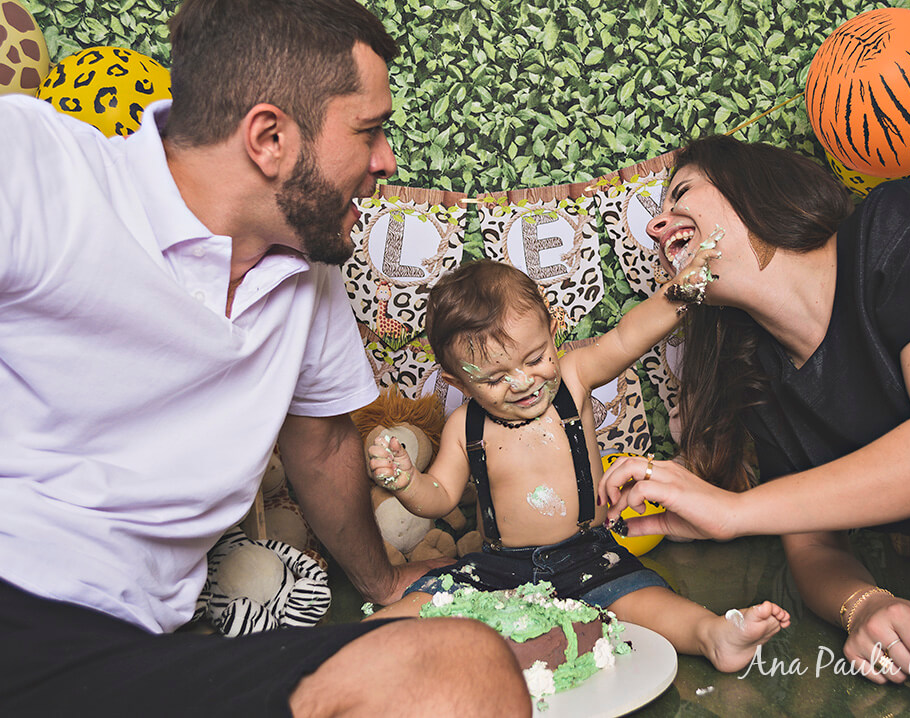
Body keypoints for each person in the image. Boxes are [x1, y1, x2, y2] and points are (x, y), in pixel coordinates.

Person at [0, 1, 531, 715]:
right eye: (369, 131)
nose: (387, 161)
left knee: (463, 666)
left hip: (135, 652)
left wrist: (383, 584)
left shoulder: (306, 277)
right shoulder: (39, 166)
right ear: (269, 138)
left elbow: (320, 445)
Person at [598, 133, 910, 715]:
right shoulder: (762, 382)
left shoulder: (900, 222)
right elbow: (812, 540)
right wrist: (864, 603)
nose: (656, 227)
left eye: (681, 194)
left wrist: (733, 512)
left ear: (755, 186)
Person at [366, 258, 791, 672]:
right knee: (427, 603)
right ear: (459, 382)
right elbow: (438, 498)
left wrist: (679, 292)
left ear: (553, 332)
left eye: (534, 359)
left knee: (642, 600)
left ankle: (712, 634)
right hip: (499, 566)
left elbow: (629, 336)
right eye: (494, 379)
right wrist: (407, 482)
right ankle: (350, 649)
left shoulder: (573, 379)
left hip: (588, 556)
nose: (523, 383)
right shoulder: (464, 426)